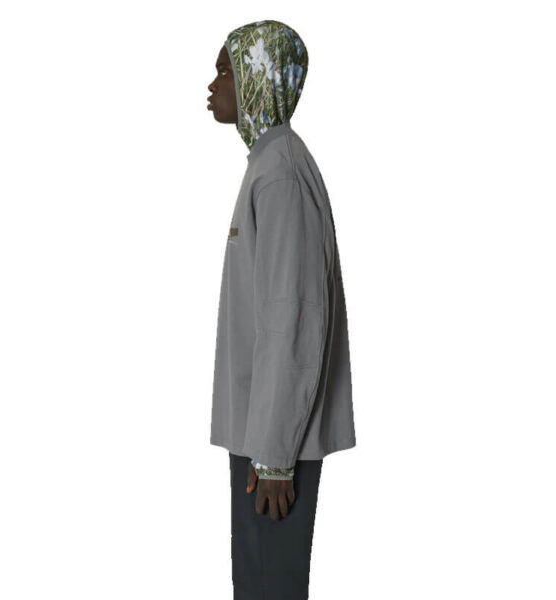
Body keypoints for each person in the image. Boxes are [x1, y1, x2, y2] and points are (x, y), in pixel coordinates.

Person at [207, 19, 356, 600]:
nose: (213, 85)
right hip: (262, 433)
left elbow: (291, 316)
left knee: (269, 588)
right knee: (258, 585)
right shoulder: (269, 165)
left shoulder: (281, 175)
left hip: (273, 446)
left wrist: (274, 460)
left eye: (226, 70)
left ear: (258, 76)